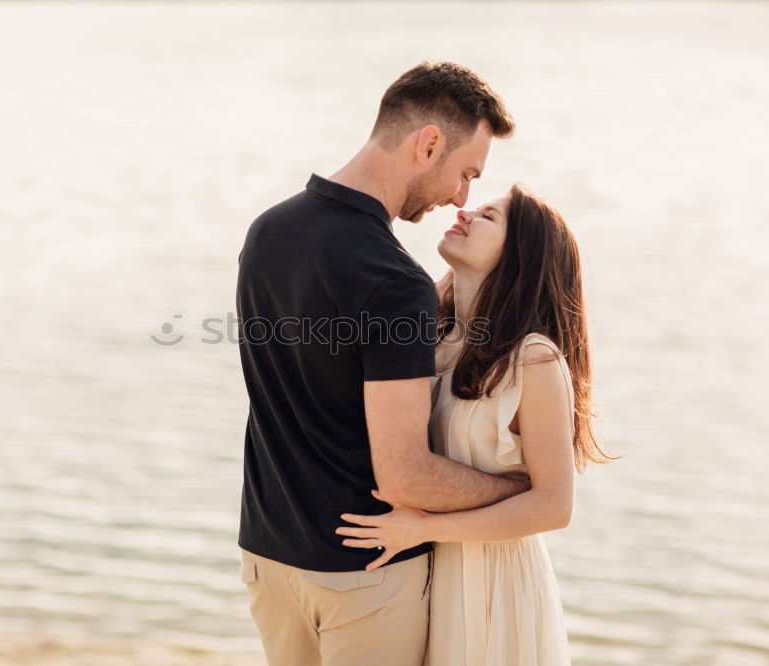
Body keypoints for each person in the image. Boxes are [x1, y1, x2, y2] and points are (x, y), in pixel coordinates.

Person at [235, 62, 519, 665]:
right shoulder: (394, 283)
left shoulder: (268, 232)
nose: (460, 197)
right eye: (466, 173)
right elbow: (405, 477)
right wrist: (515, 489)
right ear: (429, 143)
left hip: (266, 558)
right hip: (362, 578)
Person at [337, 186, 615, 665]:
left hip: (493, 581)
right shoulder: (438, 340)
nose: (464, 212)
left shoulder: (534, 358)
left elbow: (554, 506)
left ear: (518, 257)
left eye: (488, 216)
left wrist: (425, 528)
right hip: (424, 572)